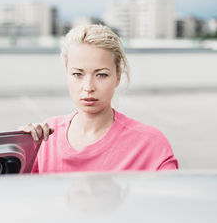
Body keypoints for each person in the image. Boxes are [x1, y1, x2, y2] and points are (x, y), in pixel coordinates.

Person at [21, 24, 178, 173]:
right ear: (67, 74)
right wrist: (17, 151)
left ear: (117, 77)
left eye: (101, 75)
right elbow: (6, 194)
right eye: (77, 74)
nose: (88, 87)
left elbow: (170, 200)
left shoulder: (150, 143)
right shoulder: (45, 137)